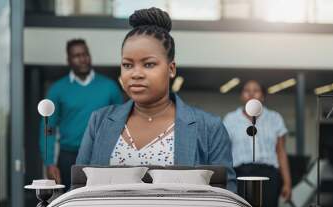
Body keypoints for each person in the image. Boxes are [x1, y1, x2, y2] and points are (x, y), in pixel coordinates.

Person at [76, 7, 236, 192]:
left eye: (149, 64)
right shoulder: (100, 121)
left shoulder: (209, 127)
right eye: (127, 65)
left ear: (171, 68)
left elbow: (227, 198)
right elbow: (79, 187)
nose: (136, 74)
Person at [39, 38, 124, 191]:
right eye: (76, 56)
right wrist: (49, 162)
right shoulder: (57, 90)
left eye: (85, 54)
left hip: (102, 156)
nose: (82, 59)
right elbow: (48, 128)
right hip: (69, 158)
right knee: (71, 203)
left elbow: (123, 123)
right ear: (69, 60)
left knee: (101, 201)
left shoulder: (109, 87)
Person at [223, 80, 292, 207]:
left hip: (268, 175)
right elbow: (224, 153)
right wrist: (225, 182)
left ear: (263, 96)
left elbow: (281, 152)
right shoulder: (230, 119)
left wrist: (287, 183)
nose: (251, 93)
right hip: (241, 174)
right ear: (242, 96)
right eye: (247, 90)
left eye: (256, 90)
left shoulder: (275, 118)